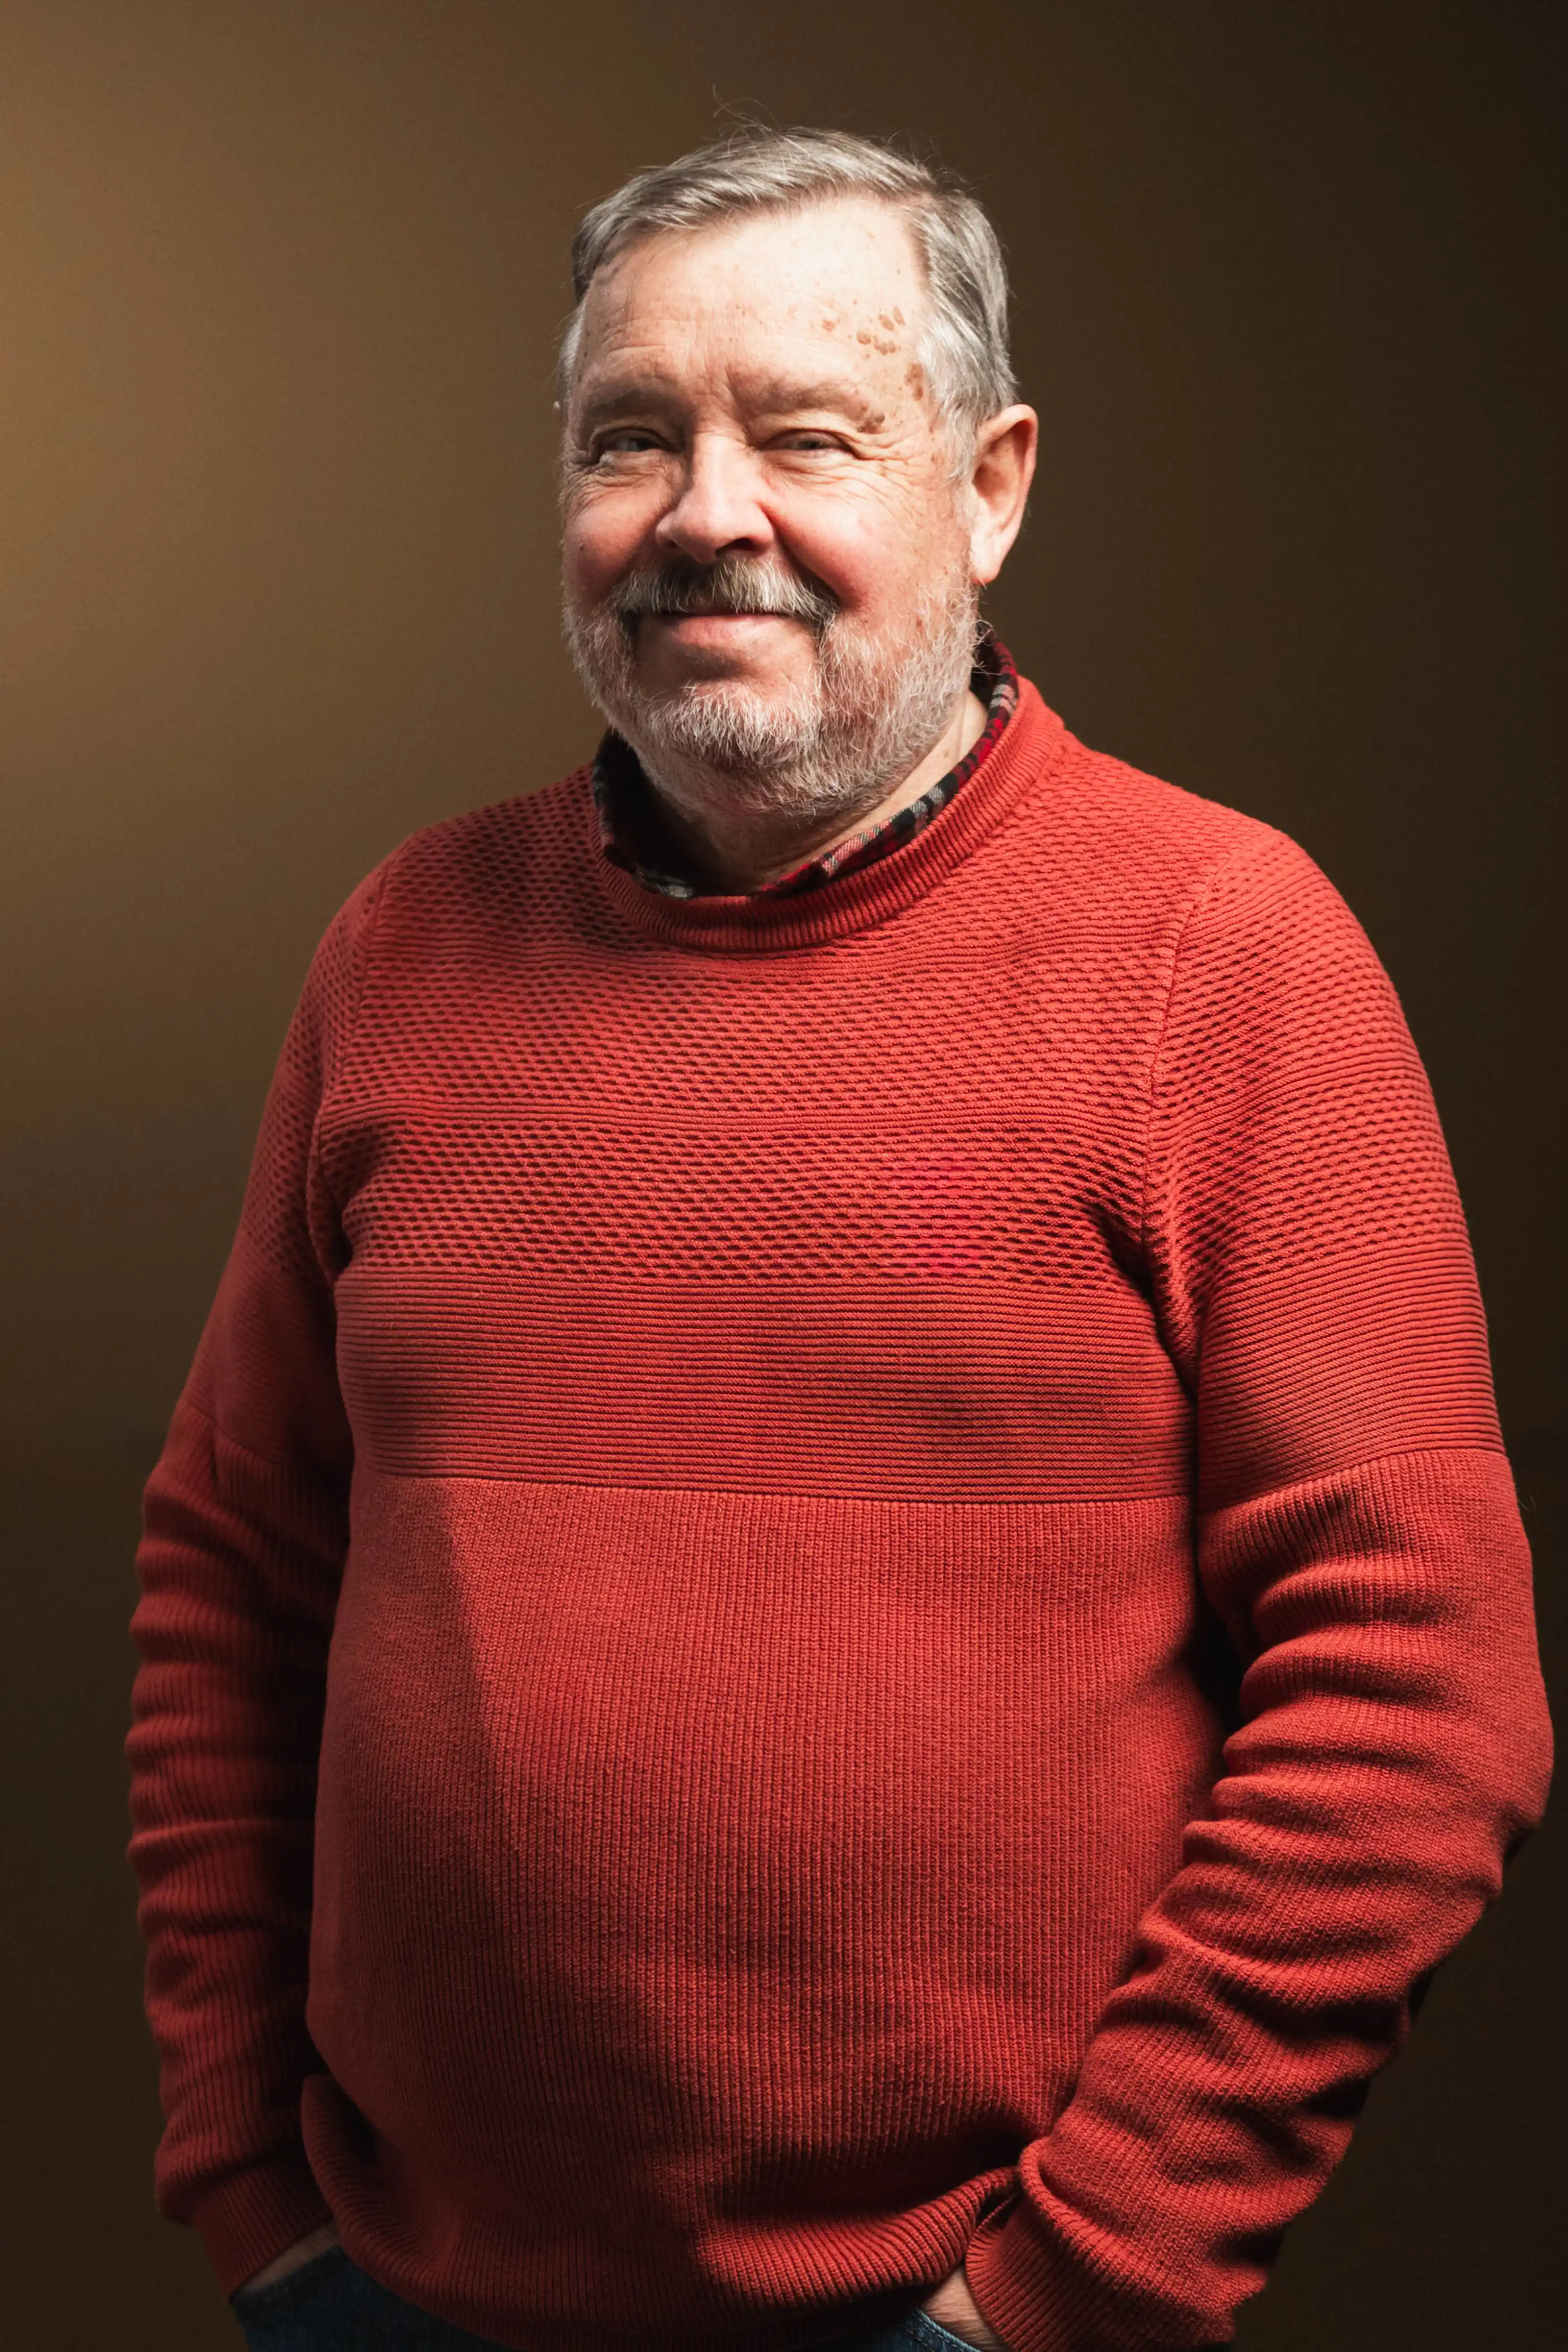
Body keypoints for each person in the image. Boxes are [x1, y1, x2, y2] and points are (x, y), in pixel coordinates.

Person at [126, 126, 1551, 2352]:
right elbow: (233, 1565)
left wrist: (1060, 2291)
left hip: (962, 2314)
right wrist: (247, 2188)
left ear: (986, 488)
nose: (705, 514)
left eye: (803, 432)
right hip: (387, 2299)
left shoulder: (1217, 949)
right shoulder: (403, 944)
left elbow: (1416, 1695)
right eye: (629, 439)